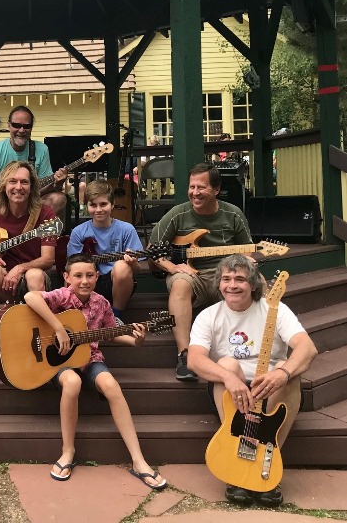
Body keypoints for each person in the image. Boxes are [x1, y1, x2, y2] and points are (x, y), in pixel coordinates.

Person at [24, 254, 167, 489]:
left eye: (90, 275)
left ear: (97, 276)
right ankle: (67, 451)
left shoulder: (101, 302)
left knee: (111, 385)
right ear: (66, 277)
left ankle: (139, 460)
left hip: (90, 359)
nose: (84, 281)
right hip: (59, 363)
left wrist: (136, 341)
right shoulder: (62, 296)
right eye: (78, 276)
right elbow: (31, 296)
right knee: (72, 383)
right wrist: (59, 328)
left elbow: (111, 332)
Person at [188, 254, 317, 506]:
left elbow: (307, 348)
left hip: (271, 390)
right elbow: (194, 360)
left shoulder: (274, 310)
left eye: (240, 279)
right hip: (232, 393)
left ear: (253, 285)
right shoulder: (208, 316)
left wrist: (283, 373)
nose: (232, 285)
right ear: (218, 284)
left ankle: (268, 462)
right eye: (226, 279)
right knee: (225, 364)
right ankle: (236, 459)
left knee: (287, 367)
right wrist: (228, 377)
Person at [149, 162, 254, 382]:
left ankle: (249, 349)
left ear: (216, 190)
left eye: (201, 187)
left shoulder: (233, 214)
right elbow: (152, 248)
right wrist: (173, 266)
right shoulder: (178, 214)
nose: (195, 193)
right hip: (190, 274)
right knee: (180, 283)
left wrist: (247, 264)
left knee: (256, 280)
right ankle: (184, 355)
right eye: (192, 187)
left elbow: (248, 250)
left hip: (223, 275)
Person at [0, 160, 57, 302]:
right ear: (4, 185)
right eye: (12, 181)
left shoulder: (46, 214)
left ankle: (35, 316)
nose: (18, 187)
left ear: (32, 187)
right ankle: (11, 311)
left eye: (24, 182)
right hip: (0, 278)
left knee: (35, 275)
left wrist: (20, 268)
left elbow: (48, 259)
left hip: (30, 275)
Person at [67, 180, 141, 317]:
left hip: (116, 284)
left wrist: (132, 262)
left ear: (112, 204)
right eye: (93, 205)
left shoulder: (127, 229)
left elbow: (137, 270)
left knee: (122, 266)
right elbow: (72, 267)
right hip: (88, 281)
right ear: (87, 205)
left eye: (103, 204)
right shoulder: (78, 232)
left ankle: (115, 315)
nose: (98, 210)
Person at [0, 106, 68, 216]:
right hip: (3, 208)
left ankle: (33, 231)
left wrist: (56, 184)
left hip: (30, 205)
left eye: (27, 126)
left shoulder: (42, 149)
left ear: (31, 128)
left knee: (58, 199)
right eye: (16, 125)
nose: (21, 130)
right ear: (9, 126)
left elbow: (43, 187)